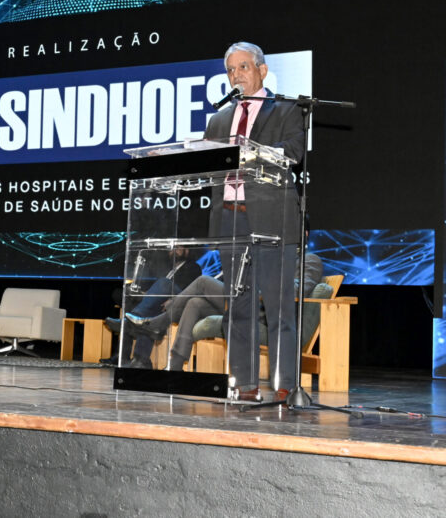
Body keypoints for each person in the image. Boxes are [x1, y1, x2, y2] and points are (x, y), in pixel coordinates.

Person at [204, 41, 305, 402]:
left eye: (243, 67)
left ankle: (284, 384)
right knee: (239, 308)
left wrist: (253, 153)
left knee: (278, 308)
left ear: (262, 70)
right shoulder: (218, 120)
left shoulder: (287, 109)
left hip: (273, 220)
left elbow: (294, 152)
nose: (236, 75)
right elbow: (207, 169)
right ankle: (244, 385)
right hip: (231, 221)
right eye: (231, 70)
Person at [127, 253, 324, 373]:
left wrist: (263, 285)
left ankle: (159, 323)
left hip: (265, 313)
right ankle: (175, 365)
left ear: (303, 234)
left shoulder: (310, 260)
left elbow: (299, 289)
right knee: (195, 303)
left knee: (203, 282)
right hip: (247, 303)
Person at [111, 247, 202, 369]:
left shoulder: (194, 267)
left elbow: (191, 290)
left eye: (180, 247)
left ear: (188, 251)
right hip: (160, 302)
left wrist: (174, 300)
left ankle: (130, 321)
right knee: (133, 300)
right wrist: (146, 294)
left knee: (164, 283)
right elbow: (157, 288)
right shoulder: (168, 268)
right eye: (173, 248)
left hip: (180, 301)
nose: (176, 250)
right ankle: (131, 358)